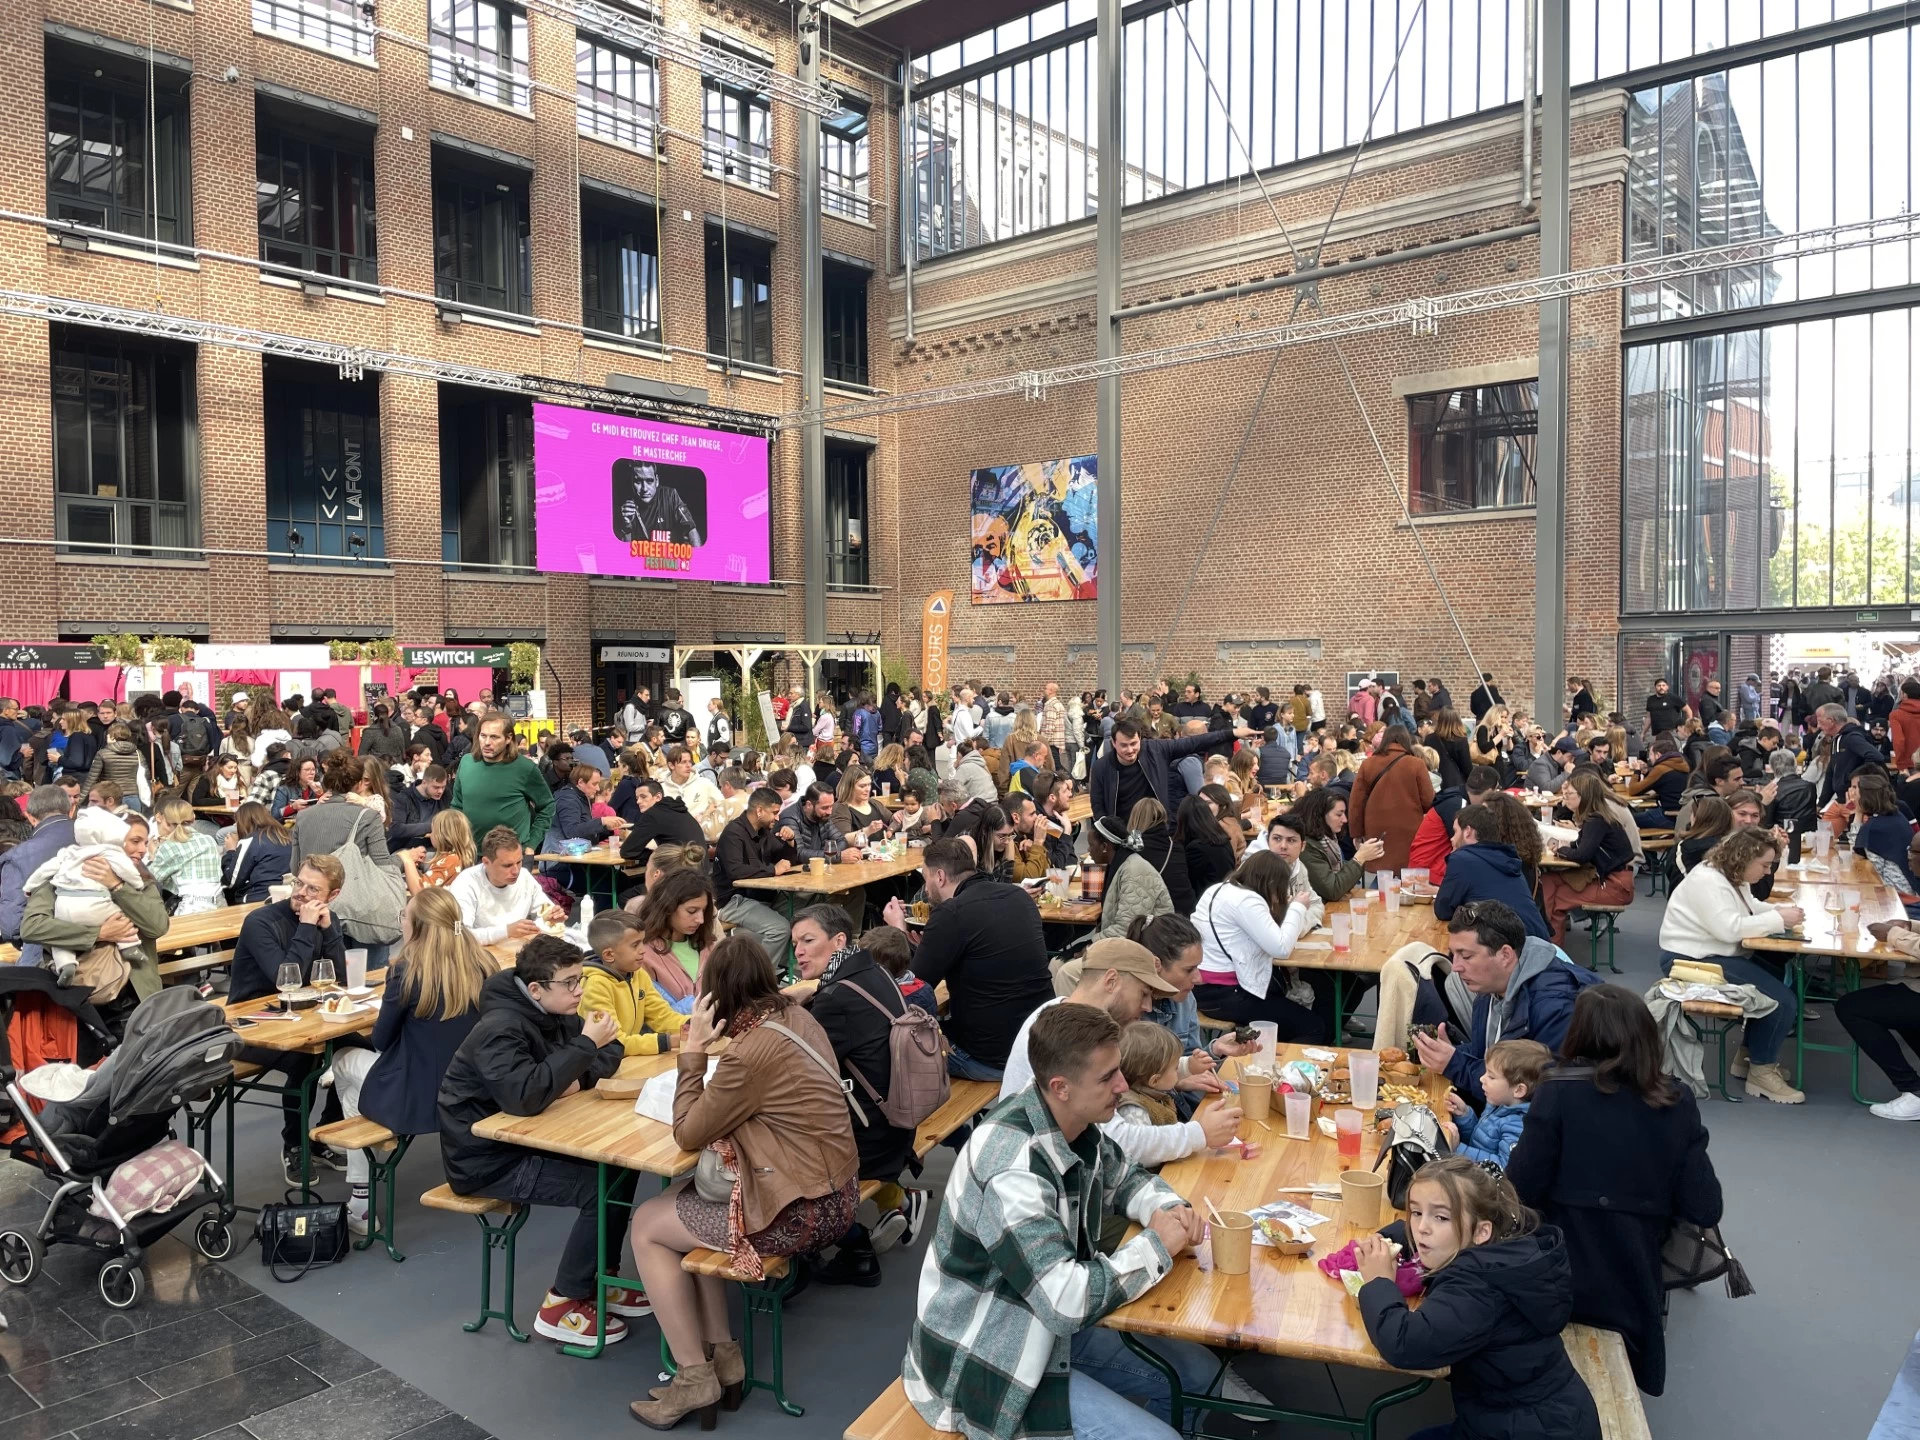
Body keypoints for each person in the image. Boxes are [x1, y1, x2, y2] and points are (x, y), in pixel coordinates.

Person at [904, 1001, 1225, 1440]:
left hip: (1045, 1328)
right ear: (1061, 1086)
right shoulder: (1012, 1167)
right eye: (1108, 1076)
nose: (1123, 1085)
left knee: (1199, 1372)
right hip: (987, 1355)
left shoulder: (1073, 1120)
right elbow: (1064, 1302)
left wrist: (1168, 1210)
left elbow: (1125, 1177)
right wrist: (1155, 1245)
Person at [625, 935, 860, 1428]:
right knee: (680, 1201)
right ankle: (724, 1358)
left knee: (647, 1224)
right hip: (838, 1194)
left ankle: (694, 1376)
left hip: (798, 1212)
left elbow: (688, 1132)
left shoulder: (748, 1054)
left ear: (717, 996)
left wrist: (693, 1053)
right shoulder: (797, 1019)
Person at [1507, 985, 1724, 1397]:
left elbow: (1521, 1190)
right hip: (1633, 1282)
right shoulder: (1676, 1102)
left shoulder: (1558, 1090)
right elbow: (1704, 1206)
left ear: (1579, 1034)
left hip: (1559, 1277)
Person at [437, 936, 638, 1345]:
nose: (580, 990)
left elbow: (611, 1050)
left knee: (623, 1168)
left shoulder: (555, 1009)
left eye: (580, 979)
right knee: (599, 1190)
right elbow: (525, 1096)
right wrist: (582, 1049)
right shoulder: (499, 1028)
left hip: (525, 1142)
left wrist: (571, 1074)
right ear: (535, 989)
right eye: (569, 983)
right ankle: (563, 1302)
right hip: (485, 1161)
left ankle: (599, 1276)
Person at [1353, 1157, 1600, 1440]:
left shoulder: (1477, 1289)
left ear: (1482, 1231)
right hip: (1534, 1416)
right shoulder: (1502, 1252)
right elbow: (1434, 1232)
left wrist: (1379, 1282)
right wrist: (1387, 1238)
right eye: (1415, 1212)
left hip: (1530, 1429)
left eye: (1440, 1217)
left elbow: (1404, 1343)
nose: (1422, 1227)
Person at [325, 887, 492, 1234]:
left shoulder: (407, 971)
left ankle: (360, 1195)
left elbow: (383, 1042)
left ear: (416, 926)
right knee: (355, 1086)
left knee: (343, 1063)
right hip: (474, 1089)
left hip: (417, 1095)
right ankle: (359, 1141)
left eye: (404, 916)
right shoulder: (484, 964)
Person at [789, 904, 925, 1285]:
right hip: (898, 1127)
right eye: (795, 942)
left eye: (808, 940)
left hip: (868, 1146)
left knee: (772, 1155)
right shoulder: (874, 972)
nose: (798, 950)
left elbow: (799, 1073)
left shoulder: (836, 999)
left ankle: (844, 1246)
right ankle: (864, 1239)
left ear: (839, 940)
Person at [883, 837, 1054, 1081]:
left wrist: (897, 931)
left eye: (927, 878)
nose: (927, 887)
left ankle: (923, 1116)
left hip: (991, 1057)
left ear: (940, 876)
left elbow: (912, 987)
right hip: (1040, 1044)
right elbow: (988, 954)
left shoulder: (950, 913)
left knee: (899, 1042)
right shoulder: (1020, 898)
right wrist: (932, 946)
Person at [1656, 826, 1806, 1103]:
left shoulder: (1728, 875)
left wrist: (1781, 912)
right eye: (1764, 865)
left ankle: (1748, 1056)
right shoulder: (1707, 881)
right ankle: (1761, 1073)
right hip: (1689, 959)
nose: (1767, 871)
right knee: (1782, 1000)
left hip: (1710, 953)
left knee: (1775, 972)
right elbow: (1728, 929)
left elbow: (1749, 908)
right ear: (1744, 858)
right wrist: (1778, 919)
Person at [228, 856, 353, 1181]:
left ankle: (325, 1131)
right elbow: (287, 981)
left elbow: (338, 978)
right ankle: (293, 1144)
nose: (300, 892)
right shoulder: (261, 922)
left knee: (358, 1045)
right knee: (307, 1060)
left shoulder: (329, 918)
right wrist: (308, 926)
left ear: (332, 895)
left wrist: (329, 932)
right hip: (252, 1024)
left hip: (302, 1018)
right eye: (299, 883)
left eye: (313, 888)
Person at [1412, 901, 1598, 1108]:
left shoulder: (1556, 1008)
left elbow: (1535, 1094)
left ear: (1505, 955)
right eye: (1453, 955)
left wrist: (1455, 1064)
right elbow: (1488, 1054)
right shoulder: (1490, 985)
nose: (1455, 967)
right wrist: (1453, 1052)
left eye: (1466, 956)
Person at [1190, 850, 1322, 1040]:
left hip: (1205, 990)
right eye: (1281, 887)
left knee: (1286, 1011)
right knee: (1313, 1026)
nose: (1282, 894)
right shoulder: (1247, 900)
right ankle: (1285, 1065)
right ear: (1270, 883)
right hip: (1229, 993)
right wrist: (1298, 907)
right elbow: (1281, 948)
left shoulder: (1219, 889)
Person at [21, 806, 148, 986]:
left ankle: (66, 965)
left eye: (146, 842)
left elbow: (157, 925)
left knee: (62, 939)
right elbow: (31, 928)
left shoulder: (69, 855)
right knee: (117, 917)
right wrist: (98, 934)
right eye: (134, 841)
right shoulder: (111, 855)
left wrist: (117, 885)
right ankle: (129, 946)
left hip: (132, 983)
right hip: (87, 982)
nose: (142, 849)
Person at [1089, 715, 1254, 825]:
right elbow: (1098, 805)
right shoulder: (1102, 767)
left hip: (1157, 828)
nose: (1130, 750)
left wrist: (1233, 733)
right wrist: (1108, 833)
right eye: (1123, 745)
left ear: (1140, 739)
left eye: (1134, 744)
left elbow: (1194, 742)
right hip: (1121, 831)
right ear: (1113, 743)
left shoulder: (1155, 750)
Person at [1536, 773, 1635, 943]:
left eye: (1569, 794)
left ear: (1584, 796)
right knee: (1548, 880)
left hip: (1616, 886)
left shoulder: (1596, 820)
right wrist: (1564, 847)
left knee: (1557, 900)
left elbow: (1581, 855)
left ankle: (1552, 948)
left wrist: (1560, 850)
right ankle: (1544, 936)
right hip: (1614, 879)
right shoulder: (1597, 817)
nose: (1565, 797)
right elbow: (1580, 845)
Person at [1432, 804, 1551, 939]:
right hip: (1539, 944)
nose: (1452, 839)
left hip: (1518, 950)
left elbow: (1443, 910)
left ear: (1468, 832)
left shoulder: (1463, 859)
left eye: (1455, 831)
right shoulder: (1507, 857)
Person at [712, 786, 800, 966]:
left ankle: (785, 968)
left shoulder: (764, 832)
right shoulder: (733, 832)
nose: (778, 817)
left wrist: (790, 842)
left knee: (803, 913)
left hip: (761, 896)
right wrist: (772, 870)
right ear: (759, 810)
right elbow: (735, 871)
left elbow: (785, 861)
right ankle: (758, 981)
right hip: (732, 900)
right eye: (775, 812)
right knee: (780, 929)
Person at [582, 907, 689, 1054]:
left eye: (642, 942)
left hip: (629, 1059)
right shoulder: (595, 985)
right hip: (603, 1065)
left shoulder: (638, 974)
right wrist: (669, 1041)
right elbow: (614, 1042)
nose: (643, 950)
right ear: (608, 955)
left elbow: (662, 1016)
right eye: (635, 945)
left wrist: (692, 1025)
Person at [450, 713, 555, 853]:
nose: (487, 742)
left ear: (508, 738)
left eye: (494, 737)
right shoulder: (467, 762)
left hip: (513, 856)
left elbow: (547, 806)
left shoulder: (524, 768)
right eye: (483, 736)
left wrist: (531, 845)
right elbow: (457, 806)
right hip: (471, 854)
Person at [0, 785, 77, 968]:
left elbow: (11, 927)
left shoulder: (18, 857)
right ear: (71, 810)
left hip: (45, 960)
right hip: (114, 955)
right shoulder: (102, 840)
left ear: (30, 817)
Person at [1440, 1038, 1550, 1167]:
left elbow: (1501, 1169)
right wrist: (1465, 1115)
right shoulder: (1499, 1104)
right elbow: (1482, 1141)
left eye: (1491, 1076)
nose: (1482, 1078)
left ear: (1519, 1090)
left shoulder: (1518, 1127)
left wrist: (1459, 1150)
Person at [450, 826, 560, 945]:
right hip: (480, 956)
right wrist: (506, 931)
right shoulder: (465, 883)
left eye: (519, 862)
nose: (516, 871)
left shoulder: (524, 876)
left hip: (517, 952)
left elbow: (545, 912)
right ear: (486, 862)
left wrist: (552, 918)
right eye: (507, 865)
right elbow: (459, 934)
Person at [1349, 726, 1434, 874]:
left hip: (1377, 828)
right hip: (1409, 828)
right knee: (1407, 873)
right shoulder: (1416, 764)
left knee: (1381, 872)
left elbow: (1356, 803)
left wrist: (1356, 833)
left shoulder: (1368, 764)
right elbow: (1428, 800)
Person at [1292, 787, 1382, 902]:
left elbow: (1341, 884)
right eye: (1339, 815)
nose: (1345, 820)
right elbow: (1332, 890)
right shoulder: (1306, 847)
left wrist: (1363, 857)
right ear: (1320, 816)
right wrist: (1360, 858)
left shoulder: (1327, 841)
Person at [146, 798, 225, 917]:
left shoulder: (168, 847)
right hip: (220, 904)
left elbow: (152, 879)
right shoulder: (209, 840)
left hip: (191, 909)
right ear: (193, 819)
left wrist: (153, 855)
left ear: (166, 822)